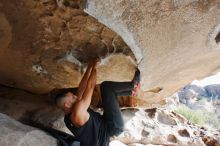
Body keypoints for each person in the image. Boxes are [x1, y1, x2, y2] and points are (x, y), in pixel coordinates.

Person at [54, 59, 140, 146]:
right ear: (67, 104)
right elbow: (90, 87)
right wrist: (94, 66)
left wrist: (89, 67)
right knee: (107, 87)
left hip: (104, 122)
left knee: (108, 92)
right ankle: (133, 85)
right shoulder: (77, 114)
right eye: (72, 97)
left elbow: (82, 87)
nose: (75, 96)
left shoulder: (68, 117)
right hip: (113, 127)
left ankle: (132, 91)